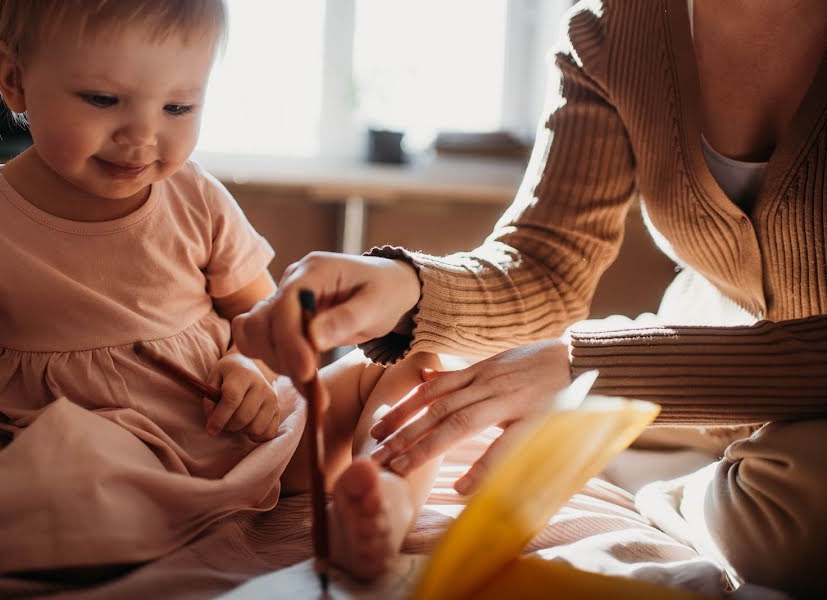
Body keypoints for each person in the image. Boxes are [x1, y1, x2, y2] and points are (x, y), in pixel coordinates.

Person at [233, 0, 827, 595]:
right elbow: (546, 263)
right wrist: (409, 291)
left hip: (738, 395)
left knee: (791, 527)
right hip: (692, 356)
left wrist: (587, 366)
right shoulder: (614, 25)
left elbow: (587, 362)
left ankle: (659, 483)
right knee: (443, 369)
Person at [0, 0, 441, 581]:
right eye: (103, 99)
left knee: (413, 362)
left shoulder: (196, 197)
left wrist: (250, 366)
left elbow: (265, 319)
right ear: (12, 77)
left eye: (178, 106)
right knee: (4, 488)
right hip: (100, 464)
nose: (143, 135)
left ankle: (388, 497)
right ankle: (136, 523)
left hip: (249, 442)